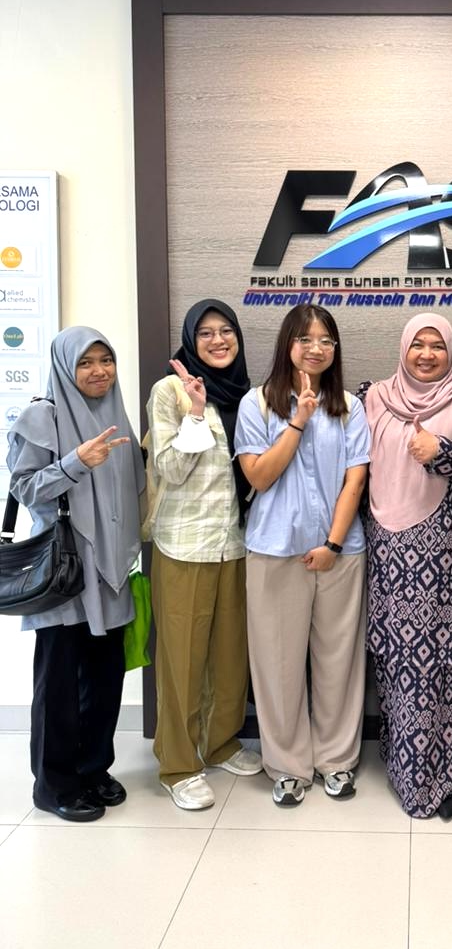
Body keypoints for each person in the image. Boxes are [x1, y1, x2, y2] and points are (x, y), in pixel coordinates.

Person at [359, 314, 452, 820]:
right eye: (417, 344)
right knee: (398, 660)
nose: (426, 354)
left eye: (437, 345)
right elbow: (351, 468)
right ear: (403, 348)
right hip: (390, 549)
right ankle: (408, 769)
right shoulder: (373, 397)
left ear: (450, 351)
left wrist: (441, 452)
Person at [6, 327, 145, 822]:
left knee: (104, 680)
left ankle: (93, 769)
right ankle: (54, 785)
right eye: (86, 362)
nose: (99, 371)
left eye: (106, 360)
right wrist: (74, 463)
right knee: (59, 685)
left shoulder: (117, 415)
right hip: (66, 573)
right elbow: (24, 488)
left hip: (110, 572)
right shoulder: (42, 416)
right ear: (66, 367)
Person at [235, 304, 369, 808]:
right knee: (278, 663)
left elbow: (356, 480)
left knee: (339, 660)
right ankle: (288, 766)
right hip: (275, 550)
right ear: (287, 343)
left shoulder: (350, 406)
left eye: (326, 340)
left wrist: (333, 544)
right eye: (306, 339)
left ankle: (336, 760)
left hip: (341, 552)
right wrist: (298, 420)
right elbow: (259, 475)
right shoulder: (256, 404)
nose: (316, 348)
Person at [146, 299, 261, 811]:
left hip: (234, 543)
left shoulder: (246, 395)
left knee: (230, 656)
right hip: (185, 544)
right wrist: (194, 411)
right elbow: (169, 469)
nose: (218, 340)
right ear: (191, 340)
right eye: (206, 333)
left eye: (226, 330)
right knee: (182, 660)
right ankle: (177, 763)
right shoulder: (169, 391)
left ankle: (219, 743)